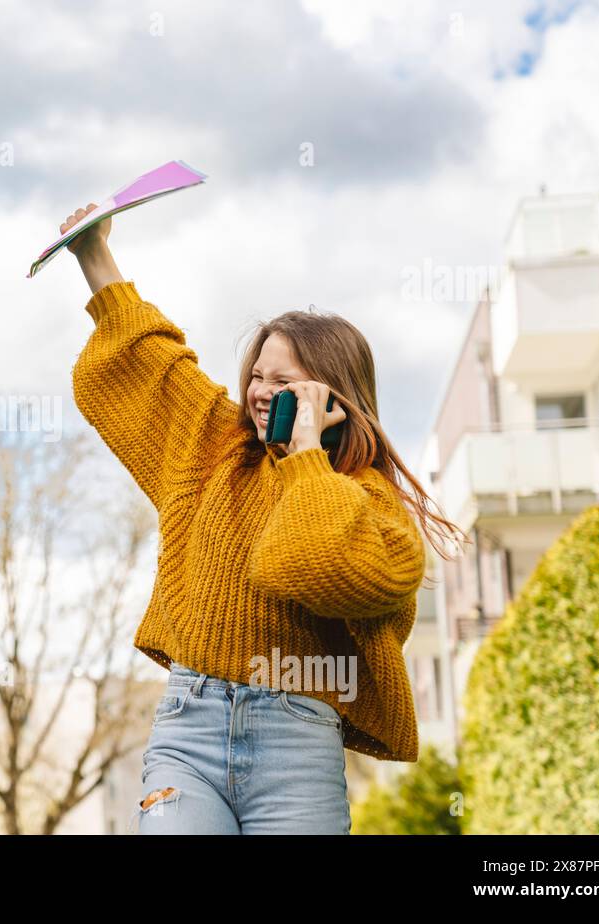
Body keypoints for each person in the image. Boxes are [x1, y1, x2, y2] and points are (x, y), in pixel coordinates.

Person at [60, 203, 465, 834]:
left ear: (335, 397)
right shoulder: (215, 447)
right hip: (188, 729)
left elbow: (309, 564)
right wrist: (94, 253)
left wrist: (304, 457)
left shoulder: (369, 500)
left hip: (297, 744)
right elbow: (153, 367)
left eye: (284, 381)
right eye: (256, 375)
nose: (259, 391)